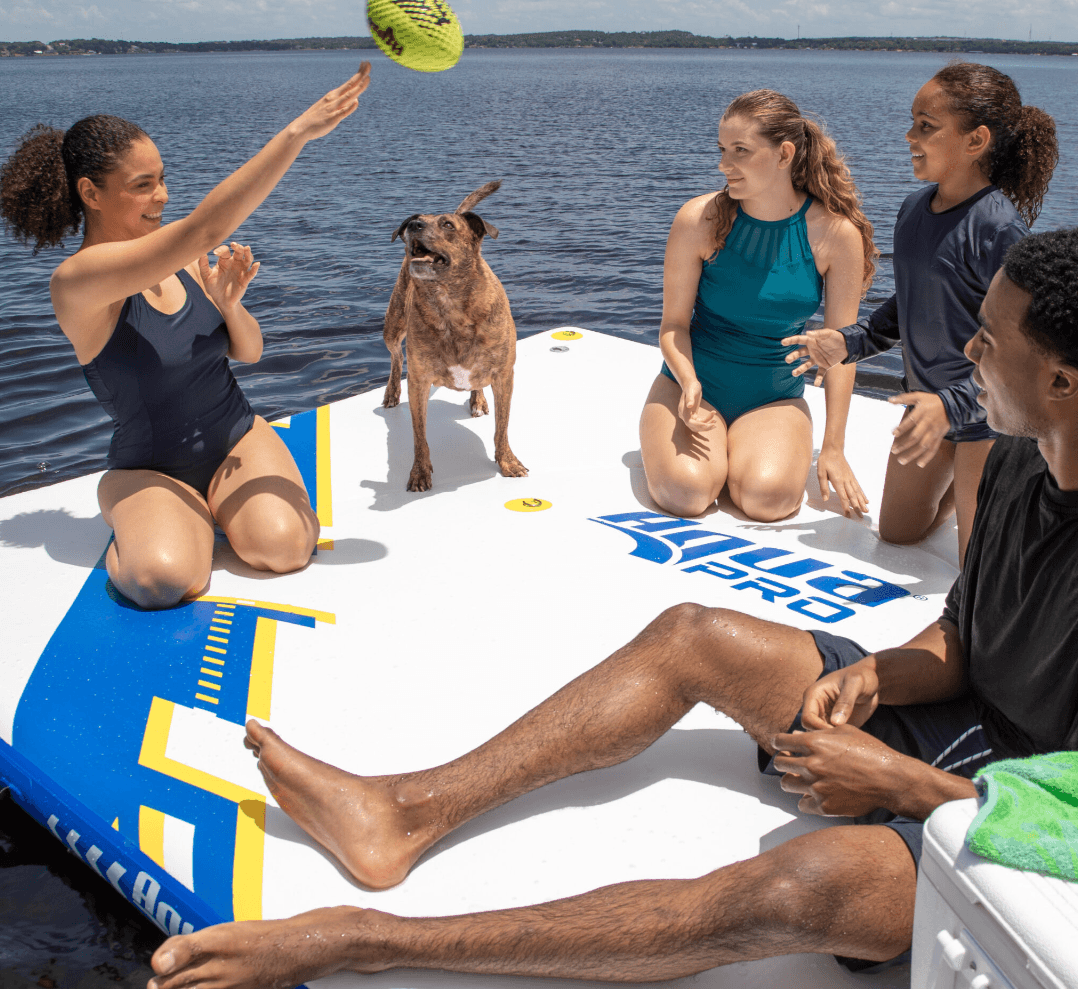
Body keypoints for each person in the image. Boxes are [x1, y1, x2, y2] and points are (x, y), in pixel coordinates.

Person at [146, 227, 1078, 989]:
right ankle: (407, 810)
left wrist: (908, 790)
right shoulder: (1009, 467)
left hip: (1027, 822)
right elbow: (963, 635)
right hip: (962, 731)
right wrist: (876, 672)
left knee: (801, 887)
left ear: (1064, 381)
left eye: (991, 340)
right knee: (692, 636)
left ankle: (366, 938)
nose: (966, 351)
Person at [0, 64, 371, 609]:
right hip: (150, 465)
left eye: (162, 178)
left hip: (237, 439)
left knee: (287, 550)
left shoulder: (188, 262)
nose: (163, 196)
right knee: (163, 582)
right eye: (142, 186)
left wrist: (229, 306)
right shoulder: (78, 283)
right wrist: (296, 135)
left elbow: (250, 353)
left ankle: (211, 508)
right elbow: (206, 226)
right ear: (91, 193)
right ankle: (152, 514)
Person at [784, 62, 1057, 564]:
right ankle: (962, 483)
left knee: (975, 566)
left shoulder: (998, 228)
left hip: (988, 414)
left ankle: (998, 482)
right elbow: (910, 303)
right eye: (913, 122)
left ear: (976, 141)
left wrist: (951, 406)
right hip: (926, 407)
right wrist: (851, 340)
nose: (909, 135)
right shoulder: (912, 211)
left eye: (925, 126)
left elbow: (1021, 352)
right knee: (897, 534)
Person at [639, 89, 875, 522]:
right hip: (690, 387)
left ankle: (740, 458)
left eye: (740, 152)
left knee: (770, 500)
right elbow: (673, 324)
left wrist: (835, 448)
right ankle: (711, 461)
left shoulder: (835, 235)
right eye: (722, 150)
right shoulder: (698, 219)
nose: (724, 165)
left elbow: (842, 351)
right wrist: (688, 380)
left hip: (772, 397)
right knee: (686, 493)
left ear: (784, 154)